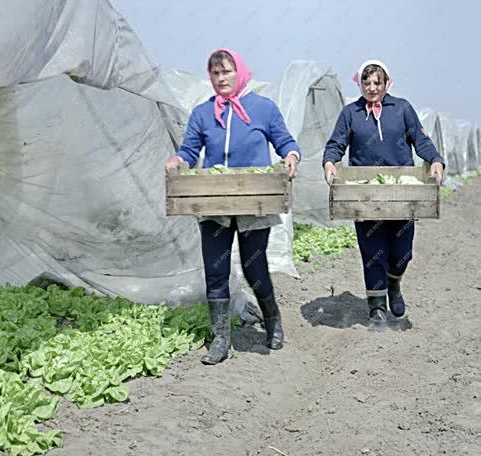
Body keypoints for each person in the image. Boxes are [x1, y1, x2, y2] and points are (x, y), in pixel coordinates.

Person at [165, 48, 301, 364]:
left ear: (239, 72)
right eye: (215, 73)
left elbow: (286, 143)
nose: (221, 78)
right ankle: (220, 339)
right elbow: (189, 150)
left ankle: (272, 317)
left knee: (255, 269)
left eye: (226, 71)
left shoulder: (262, 108)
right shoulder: (202, 113)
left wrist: (291, 157)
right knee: (216, 270)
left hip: (255, 200)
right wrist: (177, 161)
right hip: (213, 201)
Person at [322, 59, 445, 323]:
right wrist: (330, 162)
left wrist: (435, 159)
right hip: (365, 193)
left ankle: (394, 284)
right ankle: (376, 306)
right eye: (366, 82)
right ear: (360, 83)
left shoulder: (401, 108)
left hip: (401, 193)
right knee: (372, 249)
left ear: (387, 82)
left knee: (402, 252)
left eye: (377, 82)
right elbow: (336, 143)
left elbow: (420, 140)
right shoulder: (350, 113)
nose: (372, 87)